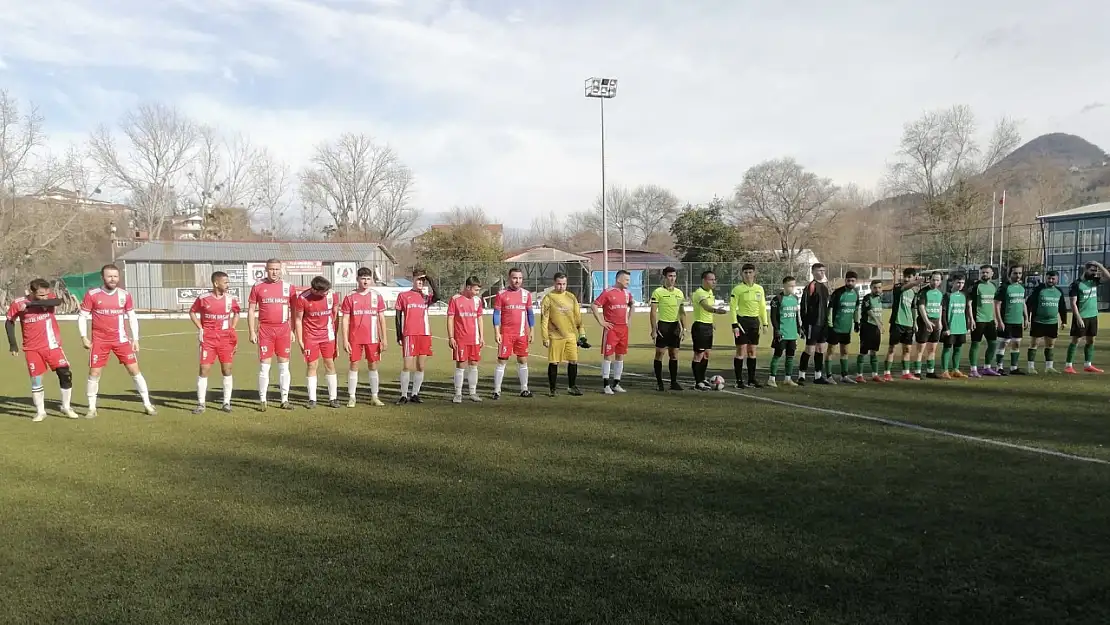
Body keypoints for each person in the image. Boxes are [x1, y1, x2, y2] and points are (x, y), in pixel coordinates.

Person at [78, 264, 155, 418]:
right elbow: (82, 316)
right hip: (99, 341)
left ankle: (147, 404)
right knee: (94, 372)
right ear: (103, 277)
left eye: (115, 276)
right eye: (109, 276)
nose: (113, 279)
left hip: (121, 340)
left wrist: (136, 339)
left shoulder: (124, 295)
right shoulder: (92, 294)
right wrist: (84, 336)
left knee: (134, 370)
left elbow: (132, 317)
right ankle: (92, 408)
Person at [5, 278, 78, 421]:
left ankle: (66, 407)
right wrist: (13, 344)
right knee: (36, 380)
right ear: (31, 292)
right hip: (32, 348)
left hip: (52, 345)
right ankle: (40, 411)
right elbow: (9, 322)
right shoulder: (17, 303)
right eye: (41, 294)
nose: (45, 297)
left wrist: (31, 305)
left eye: (46, 294)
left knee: (65, 373)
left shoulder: (47, 299)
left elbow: (56, 302)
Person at [248, 259, 297, 410]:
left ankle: (284, 399)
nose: (274, 272)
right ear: (266, 269)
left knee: (284, 366)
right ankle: (263, 399)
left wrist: (293, 331)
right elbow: (251, 310)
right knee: (264, 367)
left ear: (280, 270)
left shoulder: (289, 287)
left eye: (276, 269)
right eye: (271, 269)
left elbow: (294, 311)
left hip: (283, 330)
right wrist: (252, 331)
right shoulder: (258, 286)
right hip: (265, 331)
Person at [188, 271, 240, 413]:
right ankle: (201, 404)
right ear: (216, 283)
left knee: (227, 369)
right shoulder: (203, 298)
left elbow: (237, 312)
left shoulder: (230, 299)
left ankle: (226, 402)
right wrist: (200, 328)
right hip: (208, 340)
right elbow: (192, 312)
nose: (228, 285)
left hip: (225, 340)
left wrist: (232, 328)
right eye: (225, 282)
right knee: (204, 369)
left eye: (228, 282)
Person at [340, 267, 387, 407]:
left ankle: (374, 396)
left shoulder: (376, 296)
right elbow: (345, 320)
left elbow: (382, 318)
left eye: (368, 279)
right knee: (354, 365)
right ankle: (352, 397)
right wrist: (345, 339)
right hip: (355, 338)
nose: (365, 281)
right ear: (357, 279)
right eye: (363, 278)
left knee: (373, 365)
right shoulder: (350, 297)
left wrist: (384, 338)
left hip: (372, 338)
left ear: (371, 280)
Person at [294, 276, 341, 408]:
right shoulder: (303, 298)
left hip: (328, 336)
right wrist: (300, 340)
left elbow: (335, 316)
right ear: (315, 290)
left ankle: (333, 398)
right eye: (323, 292)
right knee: (312, 365)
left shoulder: (332, 295)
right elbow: (298, 320)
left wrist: (335, 336)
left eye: (327, 290)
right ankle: (312, 400)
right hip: (310, 337)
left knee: (330, 364)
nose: (326, 293)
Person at [394, 269, 438, 404]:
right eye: (418, 279)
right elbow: (398, 316)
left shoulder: (426, 297)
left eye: (423, 280)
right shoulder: (403, 295)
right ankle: (403, 395)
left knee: (421, 366)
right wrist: (399, 335)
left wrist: (430, 279)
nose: (420, 282)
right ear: (413, 279)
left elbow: (438, 295)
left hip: (424, 334)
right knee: (407, 365)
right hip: (409, 334)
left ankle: (415, 394)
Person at [492, 267, 534, 399]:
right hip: (506, 334)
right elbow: (497, 314)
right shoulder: (501, 294)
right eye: (515, 278)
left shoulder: (526, 294)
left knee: (522, 360)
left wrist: (532, 330)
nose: (517, 281)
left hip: (522, 333)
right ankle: (497, 390)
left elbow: (530, 313)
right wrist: (497, 332)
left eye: (520, 278)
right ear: (509, 278)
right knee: (502, 360)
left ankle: (524, 389)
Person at [541, 272, 584, 396]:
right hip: (555, 336)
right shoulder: (548, 298)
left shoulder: (571, 297)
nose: (561, 286)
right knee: (554, 362)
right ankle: (552, 389)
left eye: (564, 284)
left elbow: (578, 317)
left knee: (573, 361)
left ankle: (572, 386)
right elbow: (544, 319)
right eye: (559, 284)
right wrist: (545, 337)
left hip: (570, 335)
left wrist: (582, 334)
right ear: (554, 283)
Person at [592, 270, 634, 394]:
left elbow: (632, 305)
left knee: (620, 355)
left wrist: (629, 319)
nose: (628, 282)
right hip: (611, 329)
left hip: (623, 329)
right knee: (608, 355)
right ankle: (606, 385)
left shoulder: (627, 293)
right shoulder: (608, 292)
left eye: (629, 280)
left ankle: (616, 383)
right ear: (618, 279)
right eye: (626, 280)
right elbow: (594, 305)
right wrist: (602, 321)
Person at [1065, 260, 1110, 373]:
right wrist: (1078, 318)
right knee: (1076, 340)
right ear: (1085, 270)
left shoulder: (1094, 281)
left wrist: (1099, 265)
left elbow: (1108, 276)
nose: (1094, 273)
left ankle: (1087, 365)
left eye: (1096, 271)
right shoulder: (1075, 284)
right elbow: (1073, 303)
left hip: (1093, 316)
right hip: (1082, 316)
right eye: (1092, 270)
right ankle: (1068, 366)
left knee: (1091, 340)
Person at [729, 263, 769, 389]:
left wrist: (765, 323)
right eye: (745, 272)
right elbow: (733, 308)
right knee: (741, 350)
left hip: (754, 322)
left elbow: (762, 307)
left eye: (750, 272)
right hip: (741, 322)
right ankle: (739, 380)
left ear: (754, 273)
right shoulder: (737, 289)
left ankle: (751, 379)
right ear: (742, 274)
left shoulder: (759, 289)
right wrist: (734, 323)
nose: (748, 275)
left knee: (752, 350)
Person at [689, 270, 730, 391]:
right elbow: (705, 307)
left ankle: (702, 378)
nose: (714, 282)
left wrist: (712, 323)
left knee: (706, 354)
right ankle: (698, 382)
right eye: (711, 279)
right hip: (700, 326)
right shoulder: (699, 293)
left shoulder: (710, 292)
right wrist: (717, 311)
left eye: (714, 279)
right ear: (704, 280)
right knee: (699, 354)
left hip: (708, 327)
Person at [447, 276, 485, 403]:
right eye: (476, 290)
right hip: (460, 339)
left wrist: (481, 336)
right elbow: (450, 318)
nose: (477, 293)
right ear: (468, 287)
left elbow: (479, 318)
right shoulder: (455, 299)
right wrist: (451, 337)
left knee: (474, 365)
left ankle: (473, 392)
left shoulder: (477, 301)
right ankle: (458, 393)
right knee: (461, 365)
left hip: (474, 339)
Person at [649, 266, 686, 391]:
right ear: (664, 277)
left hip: (675, 327)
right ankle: (659, 383)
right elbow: (653, 312)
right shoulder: (658, 292)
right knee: (660, 353)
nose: (672, 279)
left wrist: (684, 328)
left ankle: (673, 382)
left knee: (674, 354)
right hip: (663, 326)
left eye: (674, 276)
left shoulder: (679, 293)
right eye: (670, 276)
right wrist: (654, 329)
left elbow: (682, 312)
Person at [883, 267, 921, 381]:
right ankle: (887, 373)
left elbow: (913, 308)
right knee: (892, 348)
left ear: (913, 277)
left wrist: (915, 323)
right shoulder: (898, 287)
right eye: (905, 276)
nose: (906, 279)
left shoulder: (914, 292)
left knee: (907, 349)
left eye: (909, 277)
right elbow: (905, 287)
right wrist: (915, 282)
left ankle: (906, 373)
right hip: (897, 322)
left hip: (908, 324)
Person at [1025, 270, 1066, 374]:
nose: (1051, 280)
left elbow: (1062, 307)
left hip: (1052, 323)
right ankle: (1030, 367)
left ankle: (1049, 367)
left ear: (1057, 279)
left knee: (1050, 345)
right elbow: (1029, 303)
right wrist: (1027, 318)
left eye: (1053, 279)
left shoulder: (1059, 291)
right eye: (1049, 278)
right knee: (1034, 344)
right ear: (1045, 278)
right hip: (1038, 322)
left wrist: (1064, 321)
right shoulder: (1039, 289)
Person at [767, 276, 804, 388]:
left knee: (790, 356)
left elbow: (796, 315)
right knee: (777, 355)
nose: (792, 288)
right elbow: (773, 317)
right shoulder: (777, 299)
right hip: (782, 333)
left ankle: (788, 378)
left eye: (793, 286)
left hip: (792, 333)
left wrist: (799, 329)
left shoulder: (795, 298)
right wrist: (777, 330)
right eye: (790, 286)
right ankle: (771, 379)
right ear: (784, 286)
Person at [799, 263, 832, 384]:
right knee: (809, 349)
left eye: (823, 270)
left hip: (823, 323)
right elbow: (804, 306)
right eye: (819, 270)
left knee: (821, 349)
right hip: (812, 323)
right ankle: (801, 375)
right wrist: (804, 323)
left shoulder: (824, 287)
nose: (822, 272)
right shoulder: (810, 286)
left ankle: (818, 376)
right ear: (813, 272)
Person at [993, 265, 1029, 375]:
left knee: (1016, 344)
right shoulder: (1004, 287)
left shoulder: (1022, 287)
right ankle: (999, 367)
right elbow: (996, 305)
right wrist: (999, 321)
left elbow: (1023, 303)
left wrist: (1026, 318)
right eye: (1015, 273)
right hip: (1006, 321)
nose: (1017, 275)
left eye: (1019, 273)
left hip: (1018, 321)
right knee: (1003, 344)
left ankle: (1014, 368)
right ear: (1010, 274)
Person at [967, 265, 1000, 377]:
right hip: (978, 320)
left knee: (993, 344)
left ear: (992, 274)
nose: (984, 274)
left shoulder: (993, 286)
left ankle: (987, 367)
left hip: (990, 320)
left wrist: (995, 318)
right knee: (976, 344)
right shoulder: (976, 286)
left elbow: (993, 303)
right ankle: (973, 369)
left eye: (987, 272)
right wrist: (971, 319)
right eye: (982, 272)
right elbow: (969, 304)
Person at [827, 271, 860, 383]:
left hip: (847, 328)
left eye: (853, 281)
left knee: (845, 351)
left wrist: (856, 322)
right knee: (831, 350)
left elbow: (856, 309)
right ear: (845, 280)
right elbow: (830, 309)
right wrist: (830, 325)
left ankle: (844, 376)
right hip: (835, 327)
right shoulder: (838, 293)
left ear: (856, 282)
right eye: (848, 280)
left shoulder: (856, 293)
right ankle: (828, 375)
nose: (850, 283)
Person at [939, 274, 972, 379]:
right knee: (947, 348)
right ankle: (944, 370)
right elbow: (943, 313)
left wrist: (967, 325)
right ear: (952, 282)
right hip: (950, 328)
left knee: (958, 348)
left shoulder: (964, 295)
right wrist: (946, 328)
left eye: (962, 283)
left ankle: (955, 370)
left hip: (961, 327)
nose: (960, 285)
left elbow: (966, 311)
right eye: (958, 282)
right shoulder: (947, 296)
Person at [914, 271, 945, 379]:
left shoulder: (940, 293)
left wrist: (940, 321)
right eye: (933, 279)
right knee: (920, 349)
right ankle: (917, 372)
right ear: (929, 279)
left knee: (932, 349)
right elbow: (921, 307)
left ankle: (930, 371)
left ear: (941, 281)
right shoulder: (924, 292)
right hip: (924, 322)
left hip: (936, 322)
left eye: (937, 280)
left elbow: (940, 307)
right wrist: (927, 322)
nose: (935, 282)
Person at [855, 280, 884, 383]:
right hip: (867, 327)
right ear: (871, 288)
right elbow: (869, 311)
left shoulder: (880, 298)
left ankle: (875, 375)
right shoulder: (867, 298)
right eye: (875, 287)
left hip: (876, 328)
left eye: (879, 287)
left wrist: (880, 324)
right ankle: (859, 375)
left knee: (874, 351)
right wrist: (878, 322)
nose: (877, 290)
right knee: (863, 351)